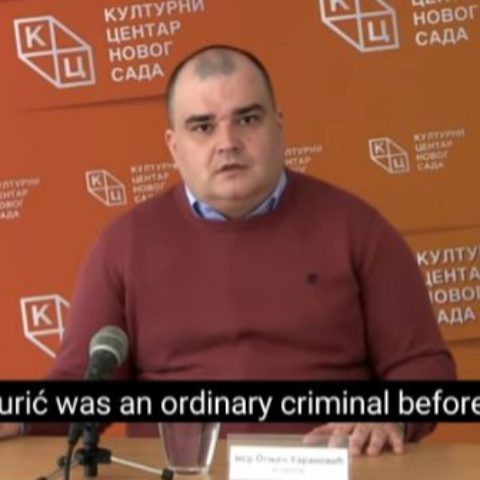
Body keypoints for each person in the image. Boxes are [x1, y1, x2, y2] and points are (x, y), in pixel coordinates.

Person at [0, 45, 456, 455]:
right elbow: (82, 389)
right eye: (203, 127)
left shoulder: (358, 229)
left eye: (248, 119)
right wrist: (18, 414)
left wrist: (391, 416)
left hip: (327, 468)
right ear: (174, 146)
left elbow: (423, 366)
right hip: (179, 473)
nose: (228, 143)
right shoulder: (123, 245)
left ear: (279, 126)